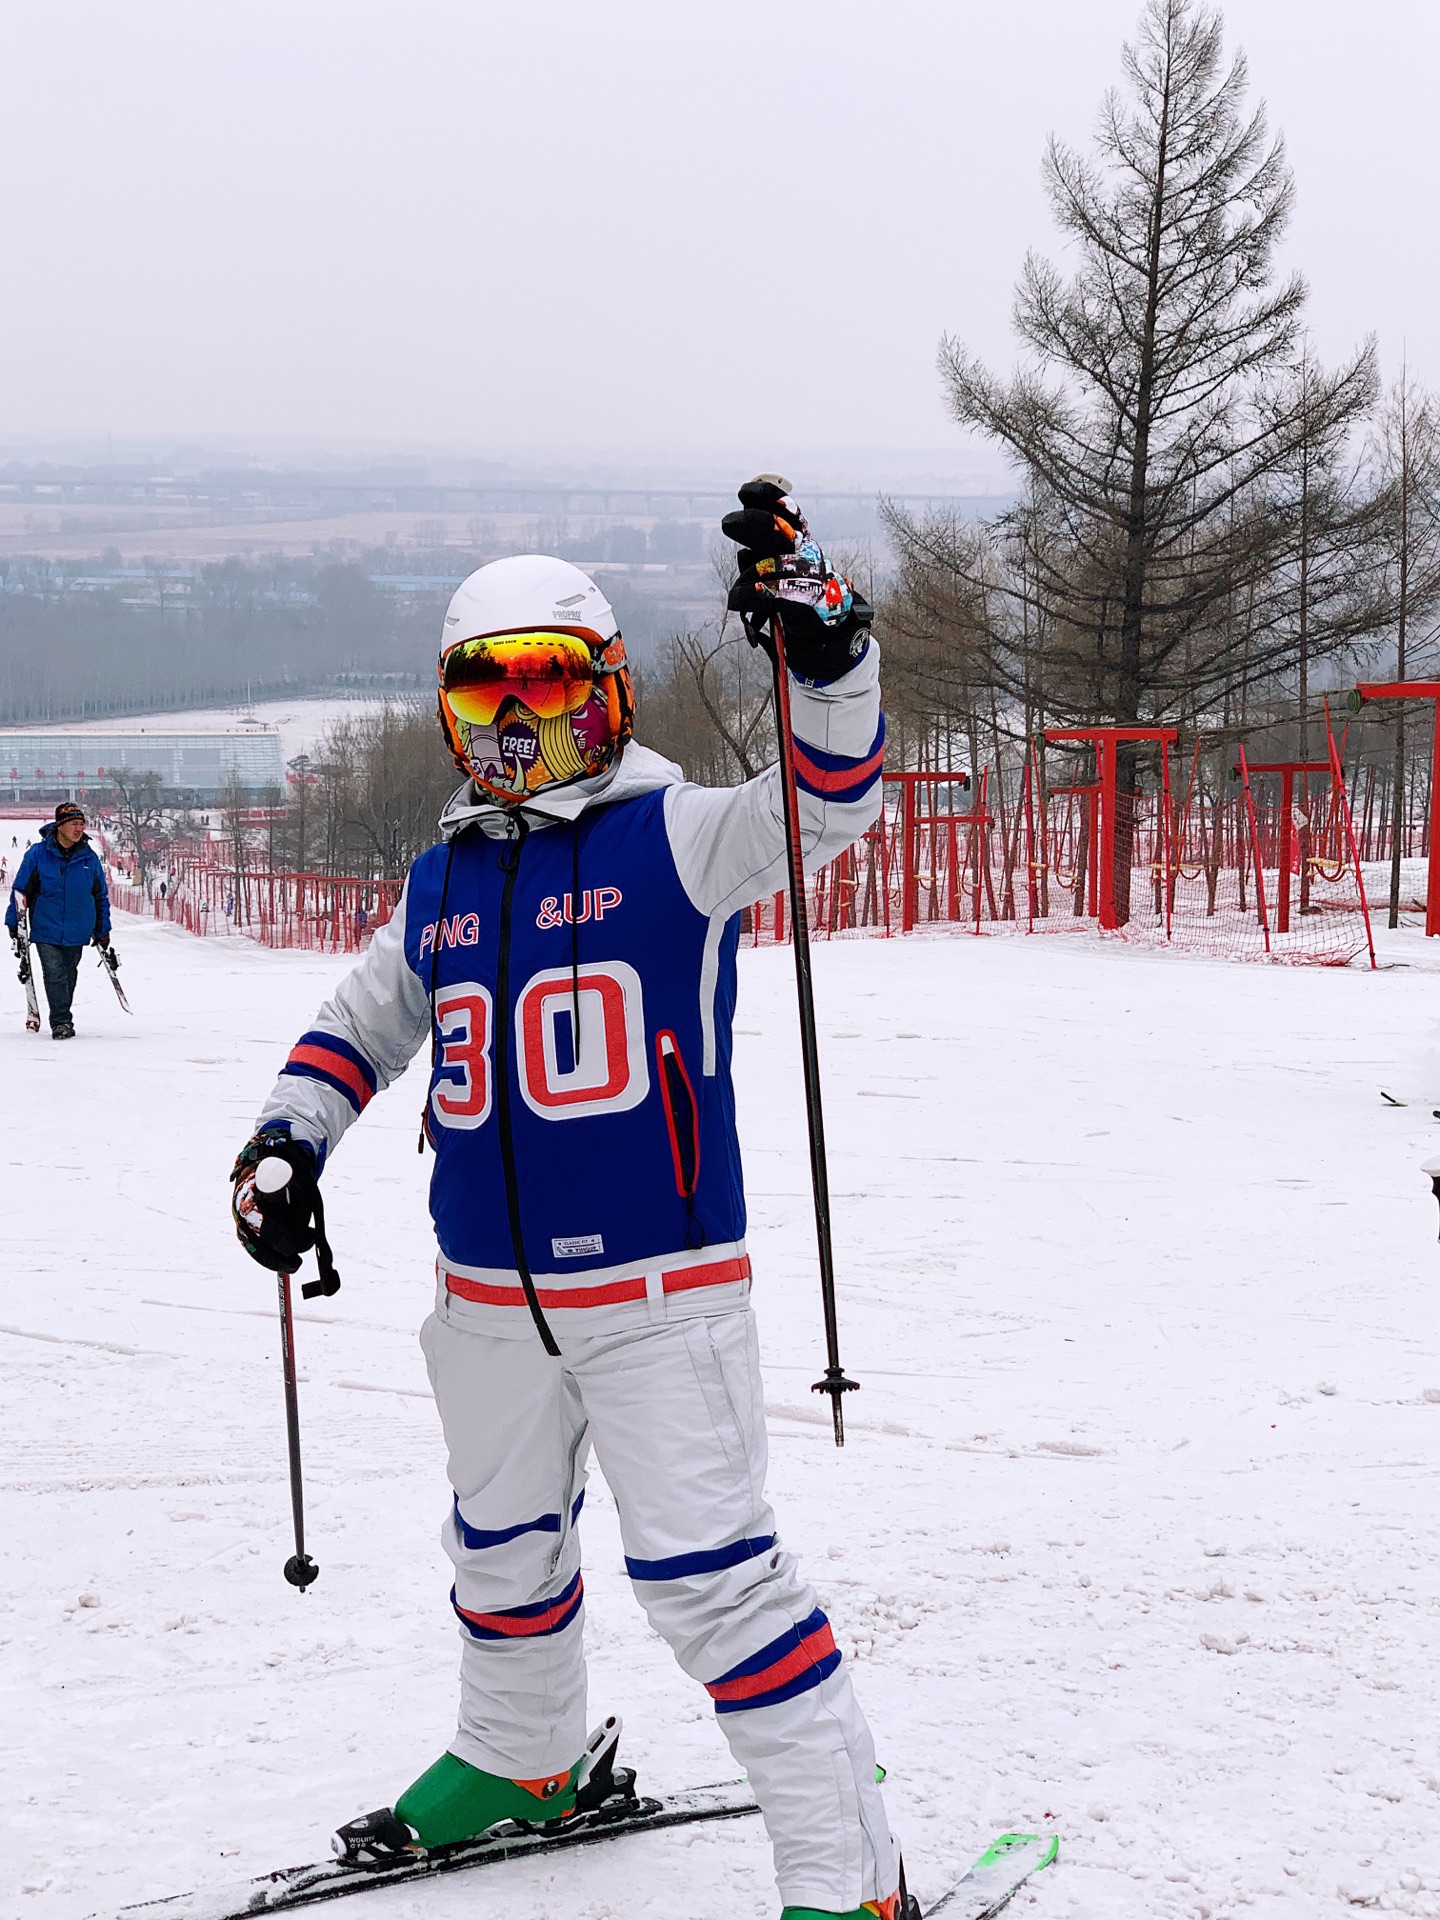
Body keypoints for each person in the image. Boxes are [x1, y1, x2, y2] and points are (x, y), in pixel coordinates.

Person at [230, 479, 903, 1920]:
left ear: (607, 688)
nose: (519, 715)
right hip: (483, 1301)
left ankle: (854, 1876)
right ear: (453, 707)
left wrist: (831, 656)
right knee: (500, 1547)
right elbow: (360, 1026)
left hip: (662, 1300)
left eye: (548, 678)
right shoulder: (444, 879)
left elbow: (829, 803)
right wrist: (287, 1144)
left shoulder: (682, 837)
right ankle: (523, 1751)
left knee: (714, 1583)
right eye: (490, 684)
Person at [5, 801, 112, 1039]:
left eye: (82, 824)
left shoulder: (89, 858)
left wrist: (102, 929)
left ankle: (61, 1013)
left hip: (78, 928)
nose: (79, 829)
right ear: (60, 825)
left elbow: (100, 896)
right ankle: (61, 1022)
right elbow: (21, 890)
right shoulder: (37, 855)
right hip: (46, 928)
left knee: (68, 975)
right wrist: (14, 922)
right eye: (74, 824)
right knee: (54, 973)